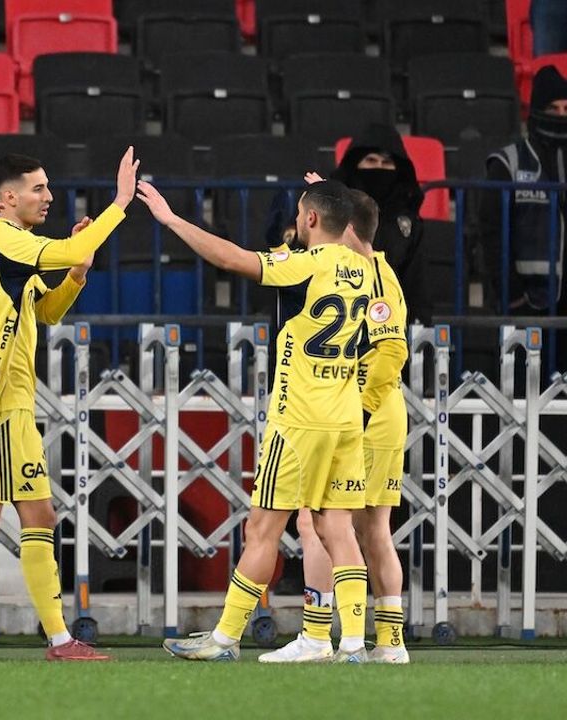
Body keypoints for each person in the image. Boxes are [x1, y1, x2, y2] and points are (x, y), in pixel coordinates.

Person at [141, 179, 375, 663]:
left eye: (302, 212)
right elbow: (353, 236)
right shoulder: (363, 268)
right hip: (346, 418)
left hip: (299, 421)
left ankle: (225, 639)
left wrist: (170, 219)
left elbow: (231, 258)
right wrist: (332, 198)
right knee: (338, 530)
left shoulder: (304, 265)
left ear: (310, 219)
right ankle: (353, 643)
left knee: (262, 530)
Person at [0, 149, 141, 662]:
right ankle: (60, 640)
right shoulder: (5, 238)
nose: (48, 197)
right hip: (0, 400)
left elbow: (46, 311)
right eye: (38, 188)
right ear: (8, 197)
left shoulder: (9, 245)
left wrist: (77, 273)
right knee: (37, 514)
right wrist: (119, 203)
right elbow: (72, 247)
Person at [259, 185, 411, 665]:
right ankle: (388, 643)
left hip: (362, 412)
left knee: (318, 521)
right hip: (377, 412)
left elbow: (391, 352)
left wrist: (359, 410)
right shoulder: (373, 271)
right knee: (371, 529)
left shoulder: (370, 275)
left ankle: (318, 635)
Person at [481, 66, 567, 315]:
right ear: (538, 111)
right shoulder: (508, 163)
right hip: (528, 304)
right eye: (553, 108)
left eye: (566, 109)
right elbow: (492, 234)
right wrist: (513, 296)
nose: (561, 115)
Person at [329, 123, 430, 326]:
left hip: (390, 325)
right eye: (371, 161)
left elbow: (415, 286)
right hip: (336, 319)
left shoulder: (407, 224)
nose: (379, 168)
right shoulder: (330, 213)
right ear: (355, 164)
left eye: (387, 163)